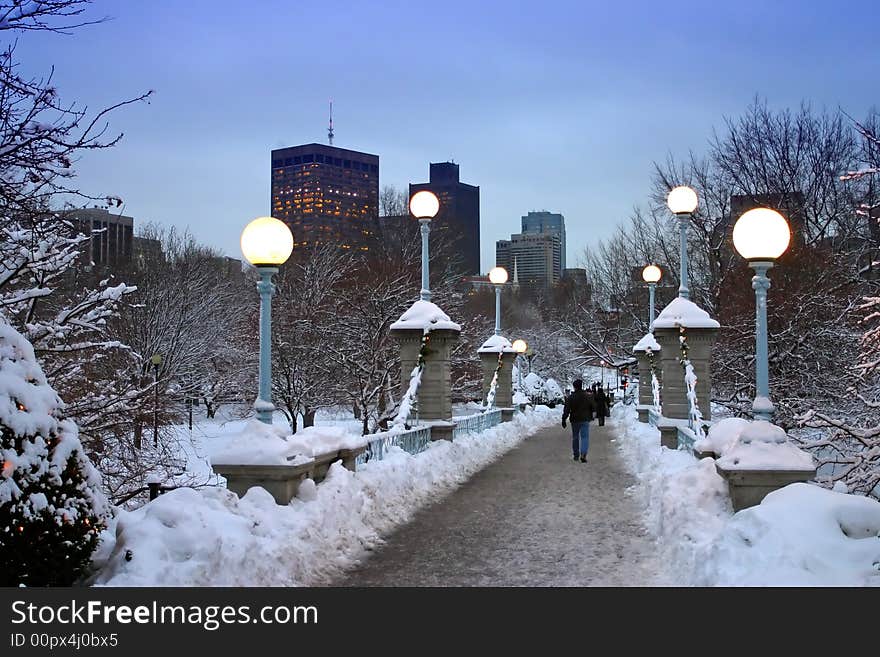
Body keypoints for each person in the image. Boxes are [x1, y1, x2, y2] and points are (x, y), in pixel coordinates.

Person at [561, 379, 596, 463]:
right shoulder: (588, 396)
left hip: (575, 419)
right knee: (585, 437)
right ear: (581, 385)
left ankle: (576, 454)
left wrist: (564, 419)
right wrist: (592, 415)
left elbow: (566, 409)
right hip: (585, 419)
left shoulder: (571, 397)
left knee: (575, 437)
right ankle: (583, 453)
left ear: (574, 386)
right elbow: (593, 407)